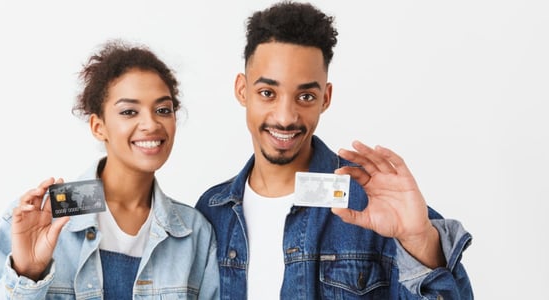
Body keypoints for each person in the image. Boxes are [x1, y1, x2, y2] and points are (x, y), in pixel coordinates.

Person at [195, 1, 473, 299]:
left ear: (325, 98)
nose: (286, 116)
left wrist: (419, 242)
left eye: (305, 96)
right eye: (267, 93)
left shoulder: (372, 203)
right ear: (242, 90)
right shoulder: (211, 213)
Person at [0, 40, 219, 299]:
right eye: (129, 111)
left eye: (162, 110)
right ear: (97, 126)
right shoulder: (42, 216)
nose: (150, 123)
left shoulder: (193, 233)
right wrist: (28, 274)